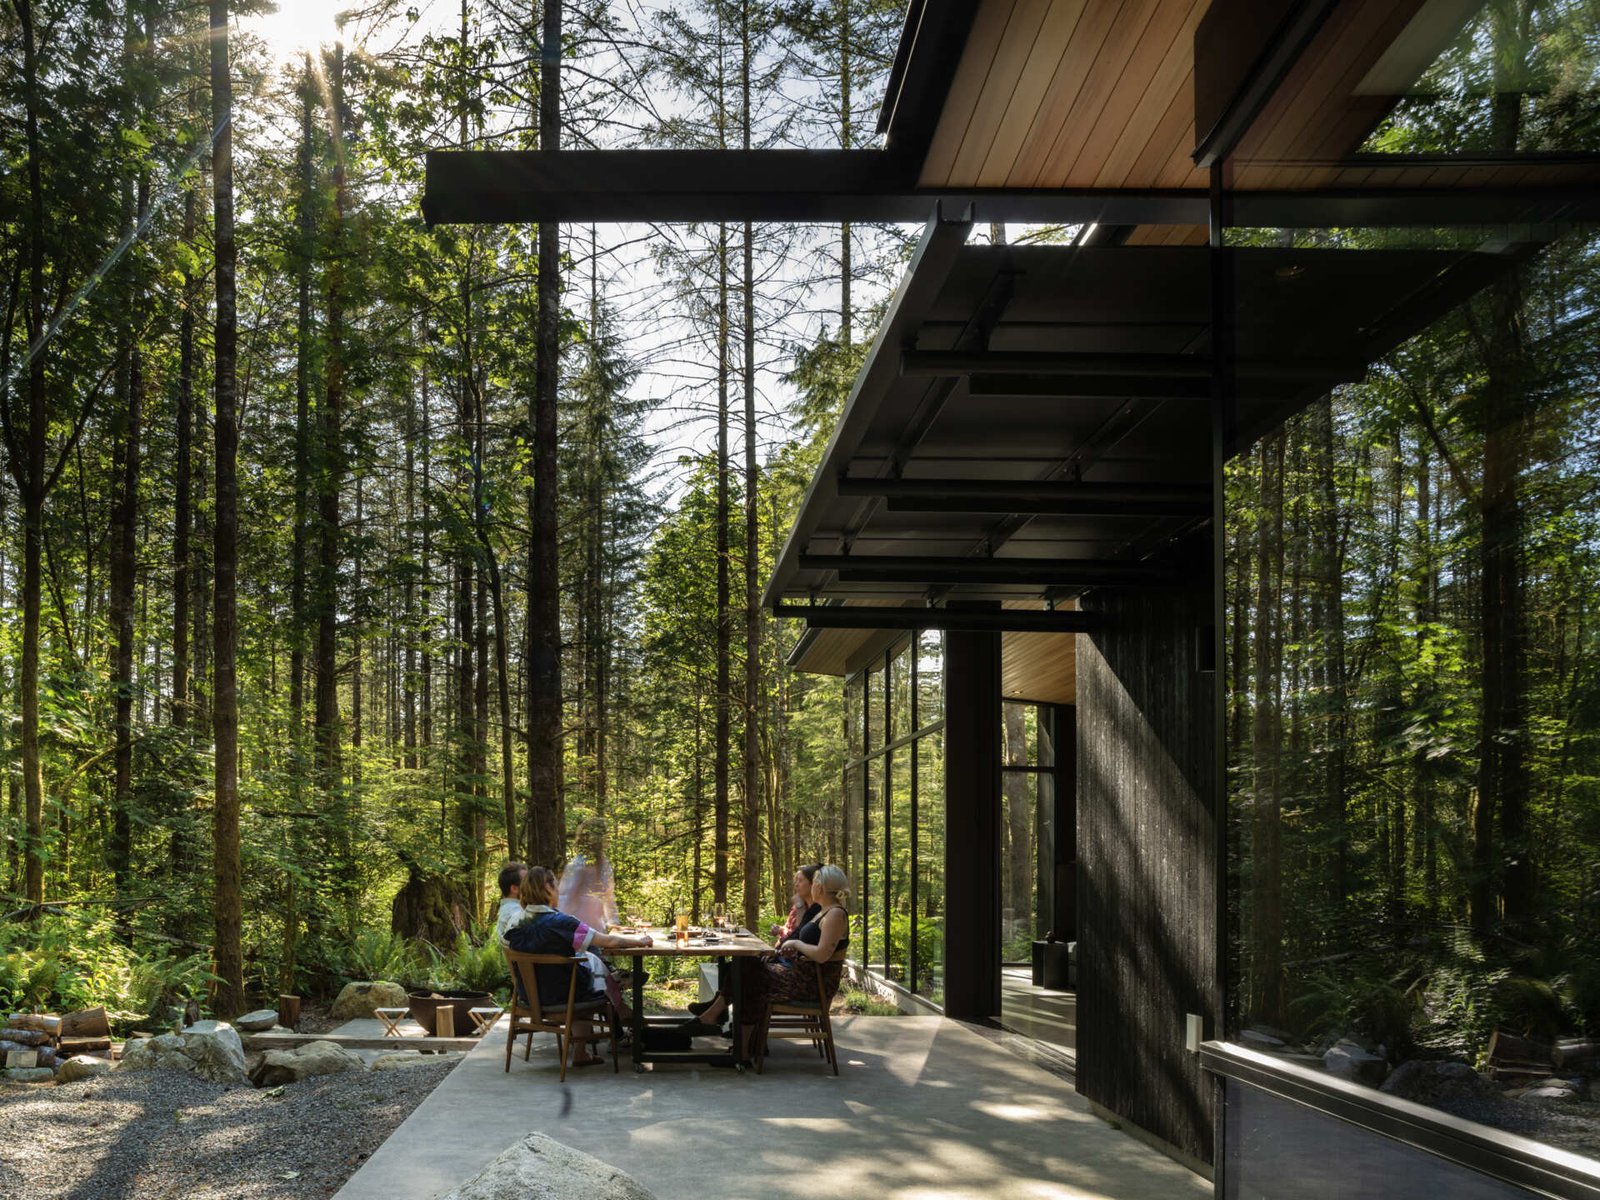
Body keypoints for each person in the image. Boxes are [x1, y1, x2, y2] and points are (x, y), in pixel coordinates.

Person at [681, 863, 852, 1062]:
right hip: (800, 974)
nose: (811, 886)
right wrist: (790, 947)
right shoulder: (823, 911)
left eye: (813, 882)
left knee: (748, 969)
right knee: (746, 967)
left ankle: (724, 1029)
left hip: (809, 984)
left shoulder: (835, 914)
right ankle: (741, 1046)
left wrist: (795, 944)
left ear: (820, 887)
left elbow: (822, 955)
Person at [505, 866, 651, 1068]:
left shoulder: (514, 923)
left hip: (529, 996)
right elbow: (605, 941)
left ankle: (616, 991)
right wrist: (639, 942)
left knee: (584, 969)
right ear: (546, 888)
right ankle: (582, 1051)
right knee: (587, 982)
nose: (559, 891)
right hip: (566, 996)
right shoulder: (563, 922)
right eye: (556, 885)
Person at [558, 820, 620, 933]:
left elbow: (609, 896)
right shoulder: (578, 864)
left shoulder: (604, 864)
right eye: (599, 835)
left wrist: (613, 923)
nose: (603, 839)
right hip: (577, 930)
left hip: (597, 929)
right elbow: (565, 898)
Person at [769, 863, 823, 942]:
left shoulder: (818, 909)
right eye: (795, 881)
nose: (796, 884)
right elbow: (789, 929)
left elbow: (800, 936)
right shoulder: (797, 906)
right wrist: (780, 930)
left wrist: (799, 906)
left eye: (800, 880)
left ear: (813, 884)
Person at [494, 862, 529, 946]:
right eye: (528, 882)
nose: (533, 886)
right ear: (514, 889)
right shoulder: (515, 911)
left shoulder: (508, 908)